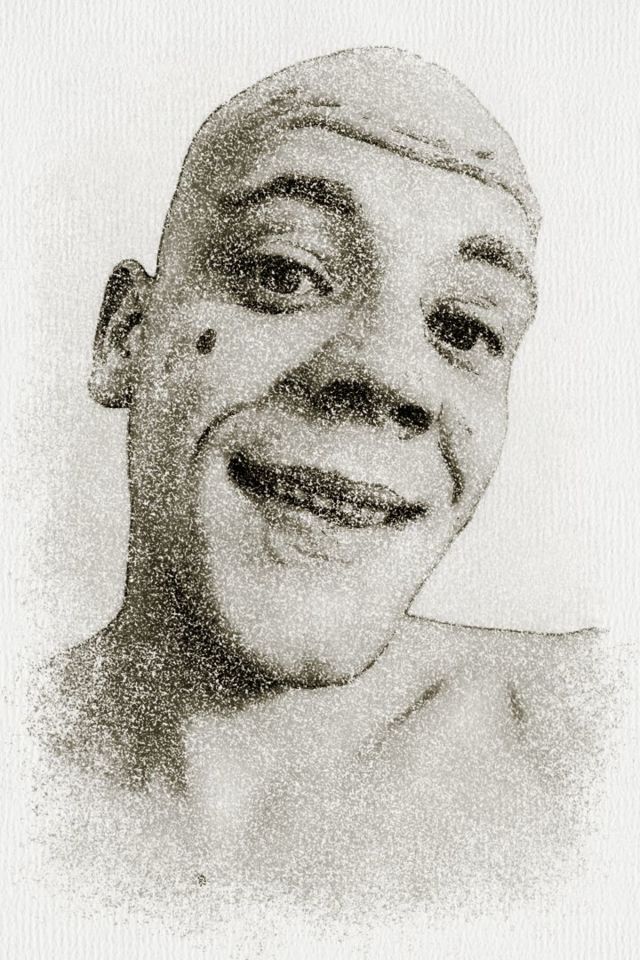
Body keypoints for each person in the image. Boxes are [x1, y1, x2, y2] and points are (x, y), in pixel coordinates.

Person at [42, 46, 608, 910]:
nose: (390, 376)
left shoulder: (599, 741)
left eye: (463, 328)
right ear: (126, 337)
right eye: (286, 273)